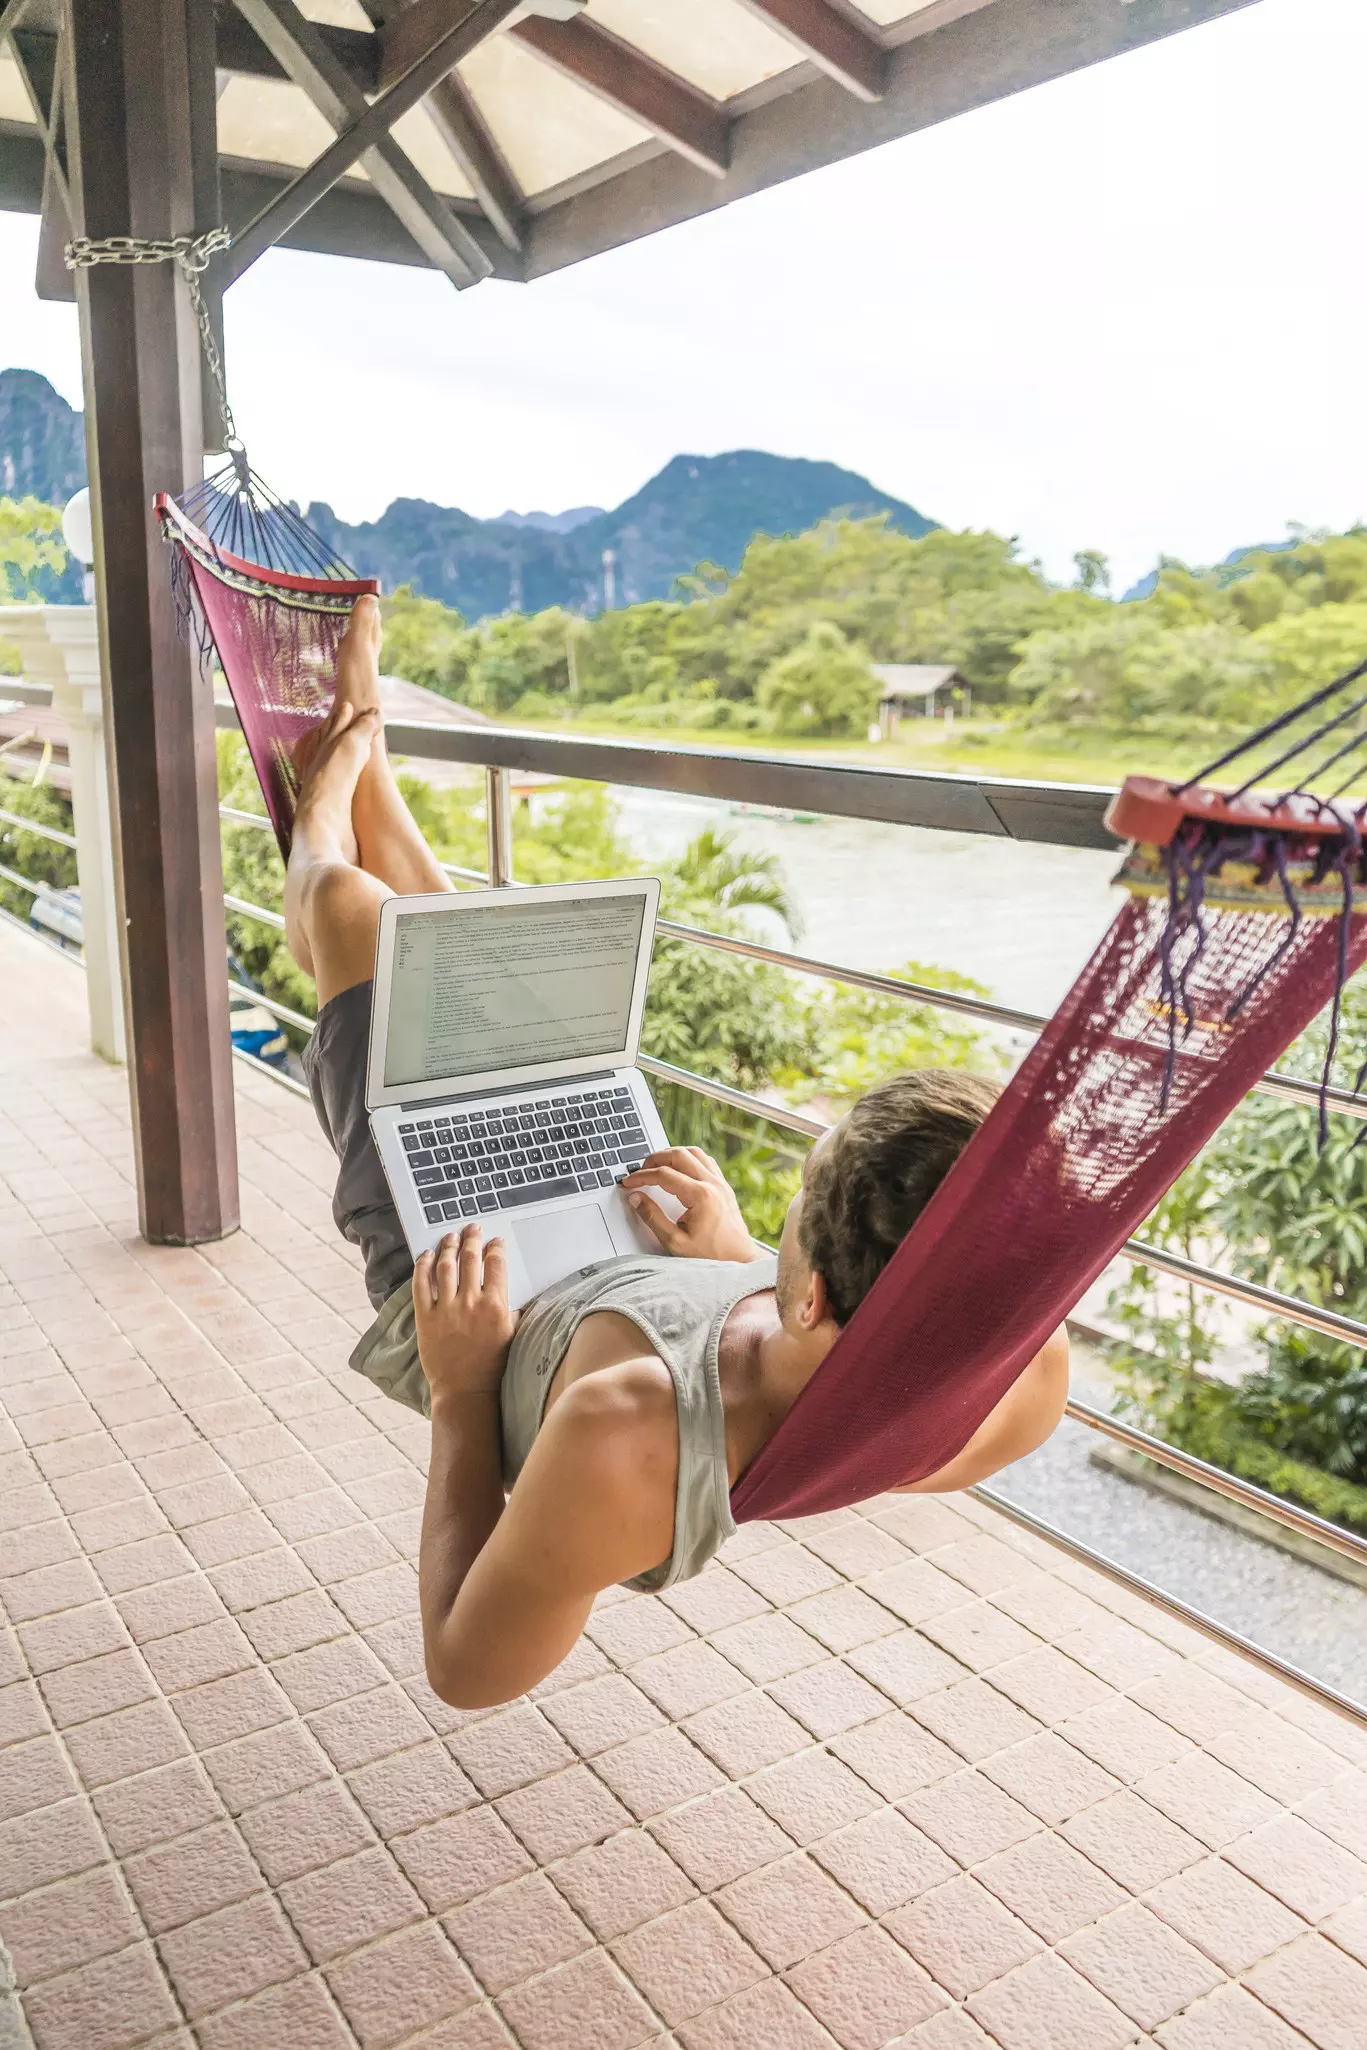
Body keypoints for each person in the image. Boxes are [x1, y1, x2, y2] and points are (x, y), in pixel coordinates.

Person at [288, 597, 1069, 1711]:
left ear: (811, 1300)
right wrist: (733, 1258)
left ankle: (324, 796)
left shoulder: (629, 1439)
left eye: (796, 1204)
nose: (785, 1218)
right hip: (645, 1256)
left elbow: (466, 1668)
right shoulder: (1021, 1369)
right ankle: (373, 755)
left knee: (344, 904)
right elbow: (875, 1330)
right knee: (451, 966)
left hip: (474, 1289)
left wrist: (462, 1385)